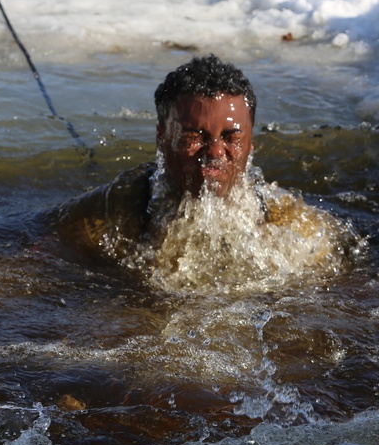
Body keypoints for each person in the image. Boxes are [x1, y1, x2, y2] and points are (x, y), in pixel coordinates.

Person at [54, 54, 357, 285]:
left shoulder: (292, 225)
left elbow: (350, 281)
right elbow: (42, 255)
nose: (214, 153)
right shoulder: (107, 214)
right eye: (193, 137)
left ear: (252, 141)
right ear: (162, 138)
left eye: (231, 137)